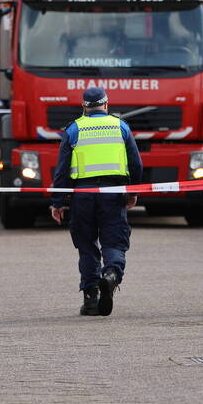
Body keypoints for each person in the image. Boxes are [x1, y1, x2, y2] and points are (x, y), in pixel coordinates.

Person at [50, 87, 142, 317]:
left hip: (82, 196)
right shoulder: (120, 126)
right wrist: (133, 191)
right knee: (114, 241)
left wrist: (57, 202)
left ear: (84, 106)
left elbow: (61, 170)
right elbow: (136, 163)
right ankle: (110, 275)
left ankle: (91, 299)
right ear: (106, 104)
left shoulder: (73, 129)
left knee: (86, 246)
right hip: (113, 193)